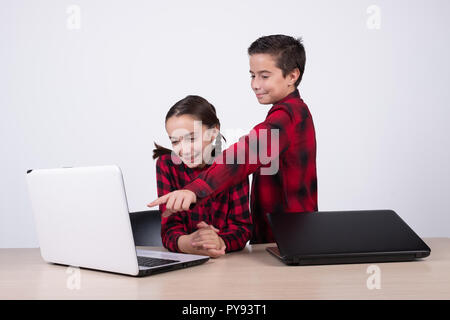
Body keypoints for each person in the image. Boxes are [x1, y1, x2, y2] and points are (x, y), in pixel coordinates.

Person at [148, 34, 318, 244]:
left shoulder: (289, 116)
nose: (255, 84)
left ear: (292, 76)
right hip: (278, 240)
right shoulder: (287, 114)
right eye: (252, 75)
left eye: (264, 76)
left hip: (291, 239)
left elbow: (246, 154)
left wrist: (194, 189)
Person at [153, 95, 252, 258]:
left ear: (214, 133)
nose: (184, 150)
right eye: (175, 142)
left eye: (191, 138)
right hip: (185, 262)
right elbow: (169, 229)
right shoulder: (167, 165)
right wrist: (190, 243)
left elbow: (242, 228)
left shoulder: (232, 165)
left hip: (226, 265)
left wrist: (219, 241)